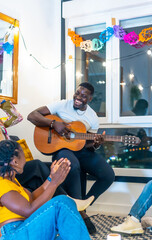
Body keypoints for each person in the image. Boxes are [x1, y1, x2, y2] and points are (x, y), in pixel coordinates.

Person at [28, 82, 115, 234]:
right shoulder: (61, 105)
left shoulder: (92, 117)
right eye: (77, 93)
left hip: (81, 151)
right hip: (61, 149)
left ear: (90, 99)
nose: (78, 97)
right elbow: (32, 115)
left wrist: (95, 144)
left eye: (83, 96)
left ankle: (82, 206)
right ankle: (81, 214)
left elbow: (87, 144)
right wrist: (54, 124)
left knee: (108, 175)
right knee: (71, 164)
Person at [0, 140, 90, 240]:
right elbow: (29, 210)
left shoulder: (11, 182)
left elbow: (32, 198)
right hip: (13, 234)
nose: (25, 159)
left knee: (68, 234)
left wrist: (51, 178)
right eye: (23, 154)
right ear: (15, 161)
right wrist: (54, 184)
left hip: (25, 229)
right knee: (61, 203)